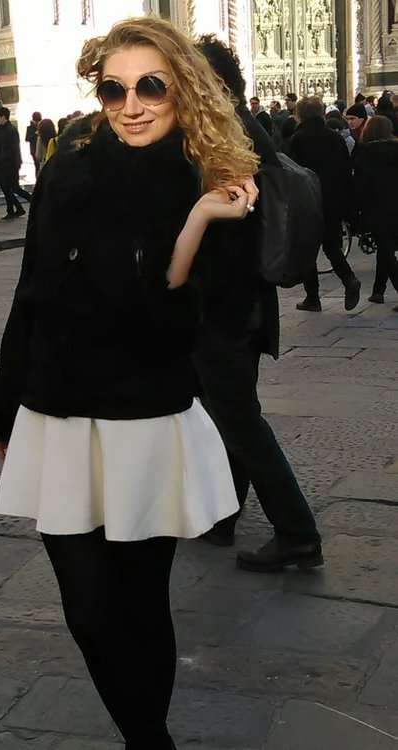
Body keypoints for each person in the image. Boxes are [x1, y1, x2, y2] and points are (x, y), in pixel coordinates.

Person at [0, 16, 258, 749]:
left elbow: (174, 326)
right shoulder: (70, 165)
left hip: (143, 416)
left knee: (138, 604)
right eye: (113, 89)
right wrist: (5, 401)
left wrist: (198, 219)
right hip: (57, 409)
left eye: (150, 87)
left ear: (181, 91)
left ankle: (146, 742)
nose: (130, 106)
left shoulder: (208, 177)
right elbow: (30, 291)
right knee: (88, 611)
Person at [194, 34, 323, 571]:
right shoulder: (247, 130)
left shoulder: (226, 139)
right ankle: (224, 516)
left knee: (238, 419)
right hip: (244, 303)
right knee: (230, 413)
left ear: (215, 85)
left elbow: (223, 230)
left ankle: (297, 533)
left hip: (226, 305)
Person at [288, 96, 360, 312]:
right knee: (332, 245)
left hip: (308, 201)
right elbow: (346, 172)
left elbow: (293, 173)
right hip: (333, 199)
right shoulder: (335, 138)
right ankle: (349, 279)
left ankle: (313, 297)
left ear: (299, 114)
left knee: (308, 249)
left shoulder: (297, 139)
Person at [354, 115, 398, 311]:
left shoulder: (366, 154)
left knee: (386, 251)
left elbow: (361, 186)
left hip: (379, 208)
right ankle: (378, 290)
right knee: (385, 250)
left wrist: (356, 212)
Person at [25, 110, 42, 178]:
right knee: (37, 165)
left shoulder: (42, 126)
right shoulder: (30, 128)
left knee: (39, 165)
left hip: (39, 148)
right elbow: (27, 139)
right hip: (34, 148)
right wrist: (35, 134)